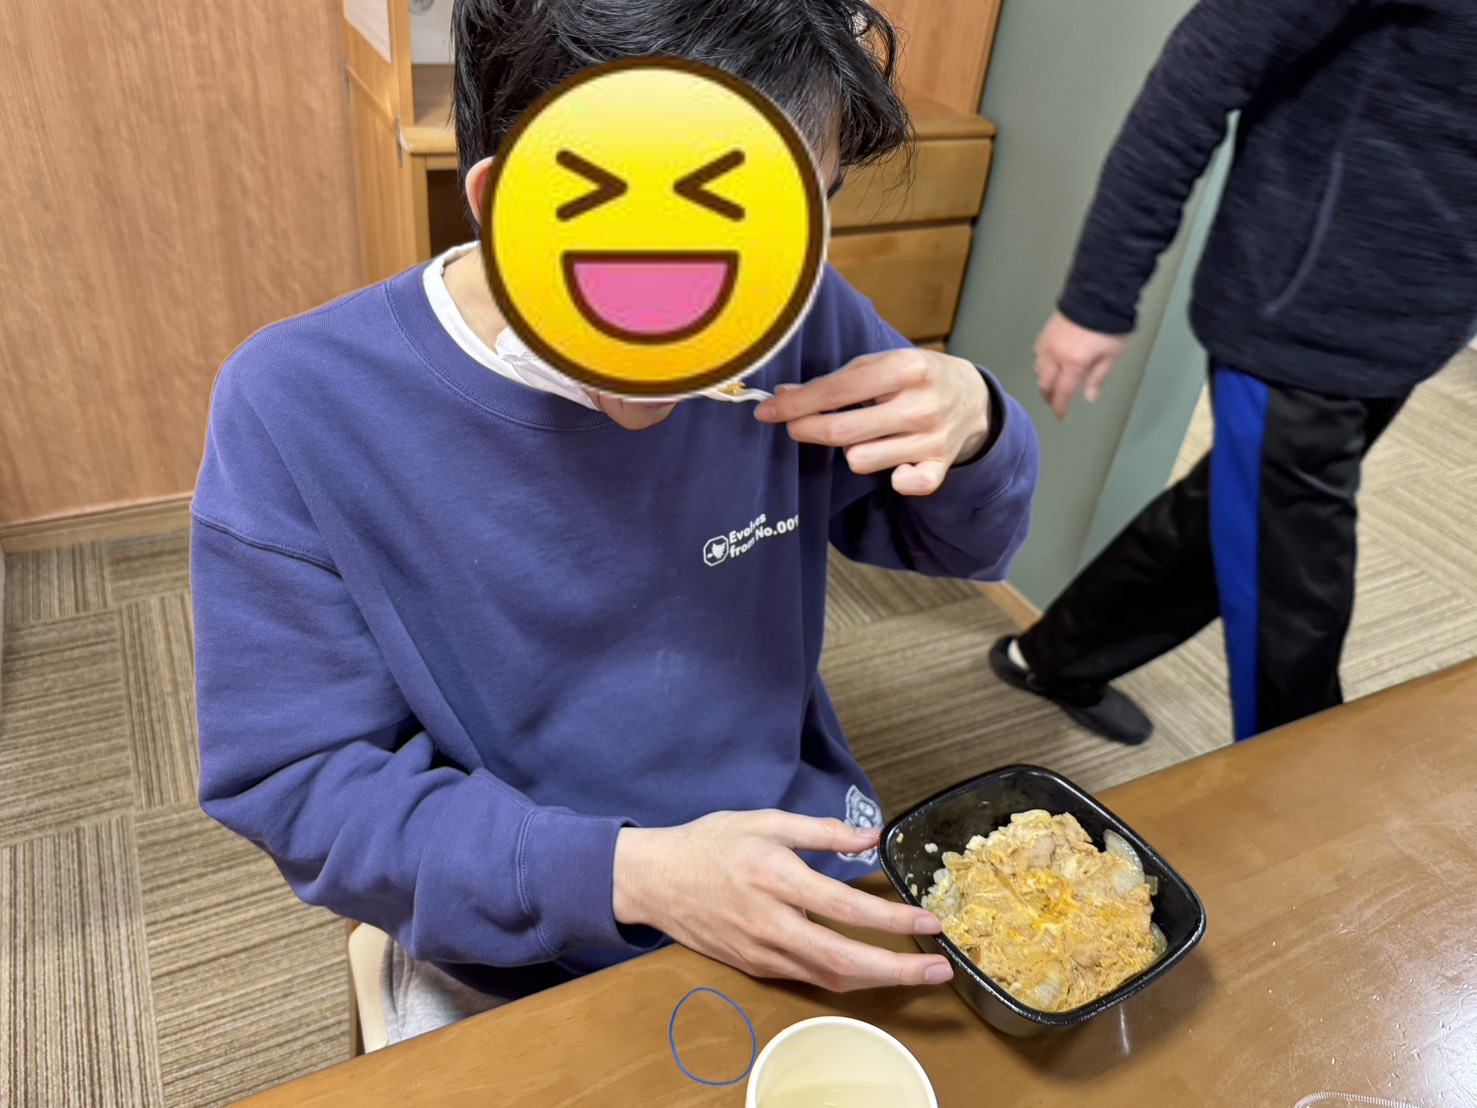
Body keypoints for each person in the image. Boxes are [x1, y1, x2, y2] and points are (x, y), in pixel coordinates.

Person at [190, 0, 1038, 1045]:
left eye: (787, 218)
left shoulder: (796, 317)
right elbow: (302, 785)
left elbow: (963, 545)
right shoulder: (300, 405)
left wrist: (975, 423)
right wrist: (627, 874)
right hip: (521, 938)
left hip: (802, 865)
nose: (718, 323)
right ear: (501, 207)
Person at [990, 0, 1477, 746]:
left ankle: (1052, 657)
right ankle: (1298, 803)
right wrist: (1097, 298)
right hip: (1295, 320)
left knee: (1230, 513)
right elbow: (1196, 79)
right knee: (1294, 603)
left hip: (1414, 323)